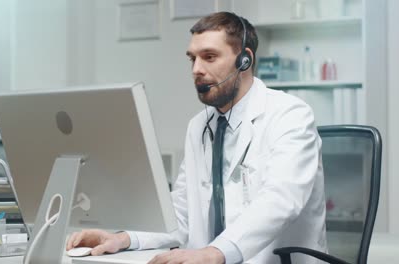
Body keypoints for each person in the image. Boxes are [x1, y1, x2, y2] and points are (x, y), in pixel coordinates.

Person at [67, 12, 327, 264]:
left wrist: (213, 253)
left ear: (244, 61)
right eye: (192, 59)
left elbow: (280, 201)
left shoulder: (290, 115)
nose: (196, 69)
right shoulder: (199, 126)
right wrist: (124, 238)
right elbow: (182, 213)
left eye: (209, 57)